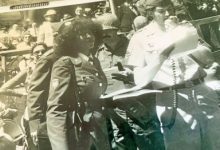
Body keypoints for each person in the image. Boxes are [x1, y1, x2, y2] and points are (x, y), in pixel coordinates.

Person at [126, 0, 220, 149]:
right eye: (162, 11)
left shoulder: (185, 29)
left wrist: (180, 36)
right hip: (172, 97)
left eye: (170, 9)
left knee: (215, 142)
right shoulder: (140, 38)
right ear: (150, 13)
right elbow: (140, 79)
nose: (168, 14)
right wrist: (161, 56)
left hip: (202, 91)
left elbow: (208, 58)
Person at [46, 18, 111, 150]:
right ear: (71, 40)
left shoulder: (94, 61)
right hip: (81, 134)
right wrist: (60, 147)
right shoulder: (65, 64)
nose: (89, 36)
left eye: (91, 32)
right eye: (82, 33)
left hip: (100, 130)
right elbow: (56, 108)